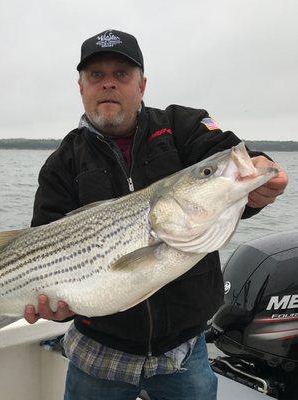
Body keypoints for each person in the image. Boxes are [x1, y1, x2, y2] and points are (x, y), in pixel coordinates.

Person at [24, 29, 288, 400]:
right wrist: (55, 309)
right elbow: (42, 247)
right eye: (96, 75)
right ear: (81, 87)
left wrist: (259, 182)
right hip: (98, 353)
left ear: (142, 85)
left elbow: (228, 154)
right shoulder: (61, 164)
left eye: (122, 74)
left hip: (183, 352)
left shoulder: (182, 127)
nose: (109, 84)